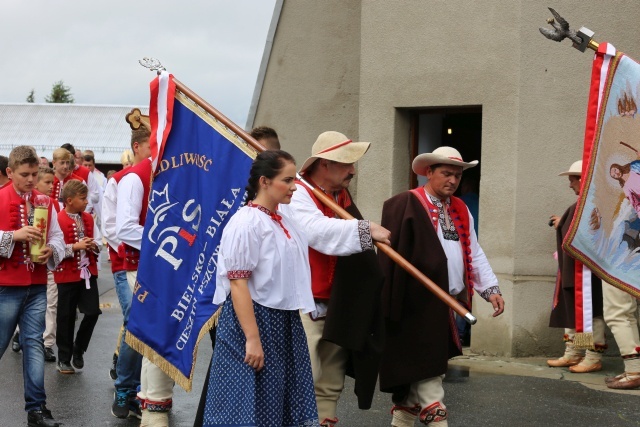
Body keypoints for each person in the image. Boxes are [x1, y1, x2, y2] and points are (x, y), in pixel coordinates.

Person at [378, 146, 504, 427]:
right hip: (414, 305)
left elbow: (473, 250)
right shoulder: (405, 204)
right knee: (430, 372)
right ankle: (438, 419)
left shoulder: (461, 209)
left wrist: (490, 288)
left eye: (457, 176)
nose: (453, 181)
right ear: (428, 172)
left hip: (445, 304)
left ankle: (405, 420)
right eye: (446, 174)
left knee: (416, 378)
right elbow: (391, 262)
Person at [281, 131, 390, 427]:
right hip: (303, 301)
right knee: (303, 375)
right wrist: (366, 230)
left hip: (337, 300)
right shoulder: (298, 193)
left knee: (331, 378)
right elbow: (317, 232)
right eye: (346, 163)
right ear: (324, 164)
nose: (353, 170)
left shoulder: (340, 195)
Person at [203, 150, 320, 426]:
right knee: (247, 403)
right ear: (265, 181)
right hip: (254, 320)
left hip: (283, 321)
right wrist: (252, 339)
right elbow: (238, 282)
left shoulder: (283, 219)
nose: (294, 187)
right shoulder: (246, 222)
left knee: (281, 400)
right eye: (288, 180)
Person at [0, 145, 65, 427]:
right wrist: (14, 235)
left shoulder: (45, 201)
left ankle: (37, 410)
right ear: (9, 172)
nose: (30, 180)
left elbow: (58, 236)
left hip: (37, 284)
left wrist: (53, 248)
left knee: (34, 345)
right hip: (6, 286)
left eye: (34, 174)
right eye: (24, 174)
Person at [105, 115, 151, 419]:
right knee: (135, 325)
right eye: (153, 146)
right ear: (138, 147)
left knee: (145, 328)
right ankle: (125, 387)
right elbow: (115, 227)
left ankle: (142, 390)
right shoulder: (125, 179)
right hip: (127, 263)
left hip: (154, 265)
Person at [547, 160, 606, 373]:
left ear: (582, 180)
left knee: (591, 313)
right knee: (578, 311)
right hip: (577, 269)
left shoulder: (591, 204)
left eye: (572, 180)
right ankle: (576, 353)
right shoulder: (584, 204)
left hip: (588, 270)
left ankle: (592, 355)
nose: (570, 184)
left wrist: (561, 223)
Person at [53, 180, 102, 374]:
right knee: (66, 316)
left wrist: (93, 245)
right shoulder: (57, 219)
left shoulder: (89, 218)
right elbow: (54, 249)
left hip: (88, 272)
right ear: (70, 200)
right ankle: (63, 359)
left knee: (92, 312)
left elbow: (99, 240)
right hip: (67, 274)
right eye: (83, 199)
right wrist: (75, 247)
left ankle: (78, 348)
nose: (86, 202)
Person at [36, 167, 60, 363]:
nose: (52, 186)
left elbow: (57, 235)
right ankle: (19, 332)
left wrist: (52, 248)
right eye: (47, 182)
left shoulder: (54, 205)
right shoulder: (25, 203)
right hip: (29, 263)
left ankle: (47, 343)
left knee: (52, 303)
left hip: (49, 262)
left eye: (53, 183)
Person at [60, 143, 100, 215]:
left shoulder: (85, 173)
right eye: (62, 161)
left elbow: (96, 197)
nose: (65, 166)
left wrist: (80, 198)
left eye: (67, 161)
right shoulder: (55, 176)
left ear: (73, 156)